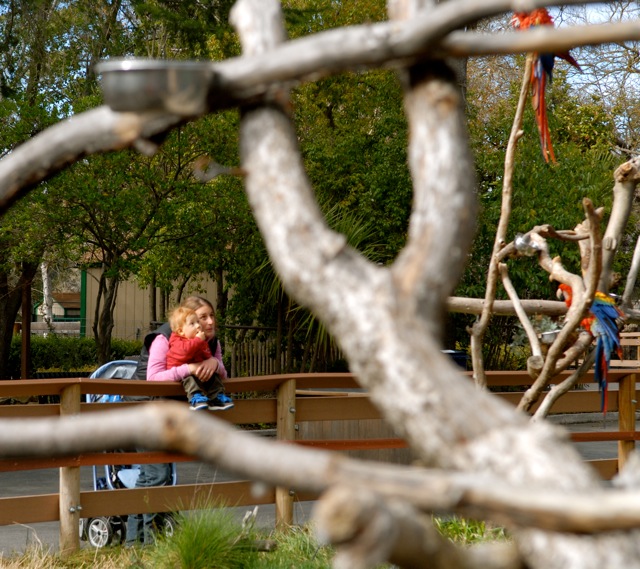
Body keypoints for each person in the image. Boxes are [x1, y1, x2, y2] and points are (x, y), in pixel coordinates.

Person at [125, 295, 233, 546]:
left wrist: (213, 361)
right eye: (201, 317)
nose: (208, 322)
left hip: (170, 413)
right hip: (144, 409)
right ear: (186, 320)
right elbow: (154, 378)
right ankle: (143, 541)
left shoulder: (210, 341)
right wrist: (190, 369)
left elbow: (223, 373)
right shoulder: (163, 338)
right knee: (156, 474)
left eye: (211, 316)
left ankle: (137, 540)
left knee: (153, 476)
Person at [166, 305, 233, 411]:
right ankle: (195, 397)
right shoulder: (177, 341)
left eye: (197, 322)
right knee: (190, 380)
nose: (198, 326)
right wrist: (198, 341)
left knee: (213, 376)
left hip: (197, 371)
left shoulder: (198, 340)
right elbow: (185, 352)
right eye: (192, 324)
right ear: (181, 331)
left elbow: (205, 352)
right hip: (183, 374)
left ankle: (216, 397)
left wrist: (210, 361)